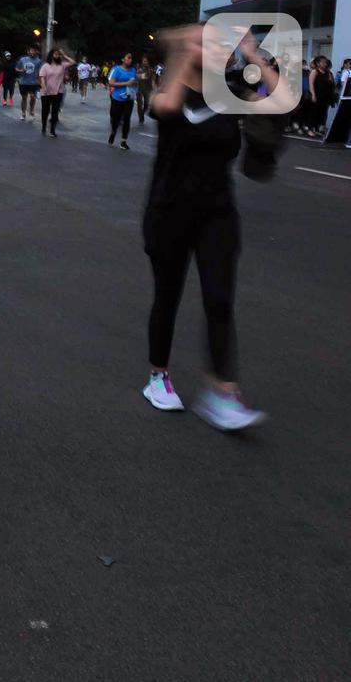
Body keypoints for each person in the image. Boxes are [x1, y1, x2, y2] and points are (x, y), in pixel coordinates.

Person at [140, 23, 281, 430]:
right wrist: (184, 52)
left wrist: (252, 54)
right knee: (167, 297)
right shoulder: (169, 92)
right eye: (208, 43)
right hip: (168, 211)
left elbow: (281, 99)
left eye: (221, 44)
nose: (219, 49)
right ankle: (158, 377)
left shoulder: (230, 92)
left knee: (219, 300)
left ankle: (222, 393)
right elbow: (167, 106)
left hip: (217, 213)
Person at [38, 47, 73, 138]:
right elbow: (42, 77)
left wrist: (64, 55)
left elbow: (73, 62)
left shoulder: (62, 65)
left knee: (55, 112)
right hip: (46, 92)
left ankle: (52, 130)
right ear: (51, 55)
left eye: (58, 54)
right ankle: (44, 127)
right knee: (45, 111)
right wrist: (44, 87)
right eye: (55, 53)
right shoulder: (45, 66)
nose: (57, 55)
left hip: (58, 92)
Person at [108, 52, 136, 150]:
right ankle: (113, 132)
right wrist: (126, 83)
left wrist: (135, 84)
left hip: (129, 98)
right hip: (117, 98)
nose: (130, 60)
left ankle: (123, 141)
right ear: (123, 59)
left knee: (127, 119)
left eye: (131, 58)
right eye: (128, 58)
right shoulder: (117, 70)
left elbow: (134, 81)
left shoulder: (133, 70)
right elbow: (111, 83)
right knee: (116, 119)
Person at [307, 56, 335, 137]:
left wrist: (329, 73)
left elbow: (331, 83)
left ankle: (317, 129)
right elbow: (311, 84)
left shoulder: (327, 72)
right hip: (317, 95)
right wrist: (313, 95)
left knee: (322, 113)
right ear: (318, 63)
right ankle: (310, 129)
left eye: (325, 62)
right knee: (314, 112)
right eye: (323, 62)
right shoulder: (314, 71)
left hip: (325, 97)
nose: (325, 64)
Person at [15, 45, 42, 120]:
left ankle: (31, 110)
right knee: (24, 98)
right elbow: (16, 68)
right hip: (23, 82)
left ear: (36, 52)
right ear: (28, 52)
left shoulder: (38, 61)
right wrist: (21, 70)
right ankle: (23, 113)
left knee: (33, 97)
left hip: (34, 82)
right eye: (31, 50)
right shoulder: (22, 59)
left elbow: (40, 72)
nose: (32, 52)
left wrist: (40, 82)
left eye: (34, 51)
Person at [135, 55, 156, 124]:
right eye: (144, 61)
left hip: (148, 89)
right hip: (140, 89)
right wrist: (142, 76)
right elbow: (137, 77)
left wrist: (154, 89)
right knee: (139, 104)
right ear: (142, 62)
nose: (145, 62)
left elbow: (153, 80)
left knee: (146, 104)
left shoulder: (151, 70)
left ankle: (142, 113)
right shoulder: (139, 70)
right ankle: (141, 118)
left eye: (146, 61)